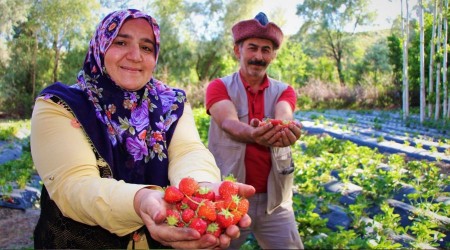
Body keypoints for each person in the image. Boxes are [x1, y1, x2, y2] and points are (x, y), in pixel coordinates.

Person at [30, 9, 255, 249]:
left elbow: (189, 151)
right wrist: (140, 200)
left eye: (147, 47)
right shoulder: (60, 104)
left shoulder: (171, 102)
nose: (136, 55)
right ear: (100, 46)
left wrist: (200, 189)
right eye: (121, 42)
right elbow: (74, 185)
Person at [205, 12, 304, 249]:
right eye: (252, 48)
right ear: (237, 51)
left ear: (273, 55)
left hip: (275, 201)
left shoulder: (285, 91)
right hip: (228, 198)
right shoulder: (219, 87)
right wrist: (254, 134)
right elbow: (228, 122)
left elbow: (284, 116)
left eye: (266, 50)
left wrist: (284, 129)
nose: (259, 56)